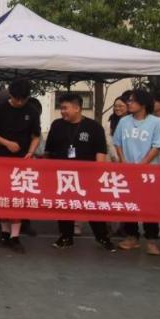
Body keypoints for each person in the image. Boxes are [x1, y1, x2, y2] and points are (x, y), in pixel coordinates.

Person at [44, 92, 114, 251]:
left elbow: (100, 152)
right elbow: (48, 151)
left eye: (65, 108)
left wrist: (98, 174)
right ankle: (66, 237)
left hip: (87, 176)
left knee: (92, 207)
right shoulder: (57, 125)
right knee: (64, 206)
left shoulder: (94, 127)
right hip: (62, 176)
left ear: (77, 108)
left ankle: (102, 238)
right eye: (61, 108)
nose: (62, 111)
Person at [0, 78, 41, 253]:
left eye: (23, 99)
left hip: (22, 162)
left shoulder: (31, 111)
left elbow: (36, 136)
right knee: (2, 197)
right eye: (16, 99)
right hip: (0, 159)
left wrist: (31, 152)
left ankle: (15, 236)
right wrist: (6, 143)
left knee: (17, 199)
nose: (19, 102)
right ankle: (4, 232)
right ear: (11, 95)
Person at [113, 88, 160, 254]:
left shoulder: (155, 123)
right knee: (129, 205)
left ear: (143, 104)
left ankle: (151, 240)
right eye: (129, 100)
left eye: (132, 101)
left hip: (148, 172)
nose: (129, 103)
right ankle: (132, 236)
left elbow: (157, 146)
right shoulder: (124, 121)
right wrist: (123, 160)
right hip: (127, 171)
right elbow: (118, 143)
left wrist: (143, 164)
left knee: (149, 206)